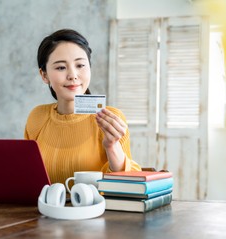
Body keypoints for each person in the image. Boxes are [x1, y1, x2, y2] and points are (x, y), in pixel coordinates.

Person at [24, 29, 141, 185]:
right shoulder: (37, 117)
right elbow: (27, 174)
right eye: (60, 67)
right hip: (44, 208)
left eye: (80, 65)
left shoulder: (111, 118)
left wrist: (112, 147)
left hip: (97, 209)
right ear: (44, 75)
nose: (73, 75)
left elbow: (131, 185)